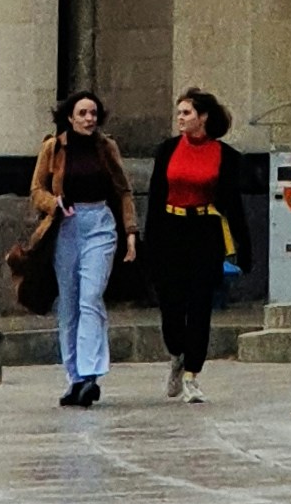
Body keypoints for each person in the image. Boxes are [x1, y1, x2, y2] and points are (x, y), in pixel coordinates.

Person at [142, 89, 255, 400]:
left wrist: (244, 249)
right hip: (170, 228)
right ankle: (176, 353)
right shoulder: (167, 150)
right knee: (171, 305)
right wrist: (148, 242)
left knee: (200, 304)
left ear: (203, 117)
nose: (180, 118)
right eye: (179, 113)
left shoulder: (225, 155)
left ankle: (193, 373)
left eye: (187, 113)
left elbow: (233, 204)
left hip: (204, 230)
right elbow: (155, 197)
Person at [28, 88, 136, 408]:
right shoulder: (53, 147)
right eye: (83, 113)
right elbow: (36, 189)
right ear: (70, 117)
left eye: (93, 114)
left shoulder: (106, 147)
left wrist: (130, 231)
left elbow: (124, 190)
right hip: (66, 227)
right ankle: (74, 376)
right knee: (69, 302)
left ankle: (91, 374)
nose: (89, 119)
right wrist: (54, 203)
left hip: (100, 223)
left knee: (91, 296)